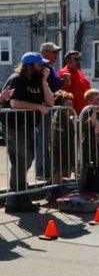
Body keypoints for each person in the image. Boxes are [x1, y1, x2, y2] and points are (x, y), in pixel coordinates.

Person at [4, 52, 54, 213]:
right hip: (16, 126)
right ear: (29, 65)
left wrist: (45, 82)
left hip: (30, 126)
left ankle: (20, 195)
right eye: (40, 65)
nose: (43, 68)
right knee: (20, 161)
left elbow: (50, 102)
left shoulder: (38, 80)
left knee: (26, 160)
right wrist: (38, 107)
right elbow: (14, 103)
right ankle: (15, 199)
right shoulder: (17, 79)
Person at [37, 42, 63, 180]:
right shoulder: (41, 68)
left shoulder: (51, 69)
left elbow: (55, 87)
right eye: (54, 53)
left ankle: (48, 168)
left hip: (51, 108)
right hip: (43, 109)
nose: (56, 56)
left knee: (49, 140)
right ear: (45, 53)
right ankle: (42, 170)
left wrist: (64, 81)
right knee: (43, 140)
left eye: (57, 53)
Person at [50, 90, 76, 185]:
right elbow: (58, 136)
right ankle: (53, 192)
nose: (71, 106)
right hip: (59, 149)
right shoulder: (58, 117)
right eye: (68, 104)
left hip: (65, 149)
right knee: (57, 171)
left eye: (71, 103)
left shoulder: (66, 116)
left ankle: (57, 189)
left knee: (60, 171)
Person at [81, 89, 99, 172]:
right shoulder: (86, 112)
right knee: (90, 167)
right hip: (90, 145)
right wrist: (94, 112)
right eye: (97, 100)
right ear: (90, 102)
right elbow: (89, 125)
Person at [58, 50, 91, 115]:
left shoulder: (79, 72)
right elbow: (62, 93)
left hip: (84, 111)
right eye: (76, 59)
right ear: (68, 60)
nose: (78, 62)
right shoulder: (63, 73)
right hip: (72, 113)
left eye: (79, 59)